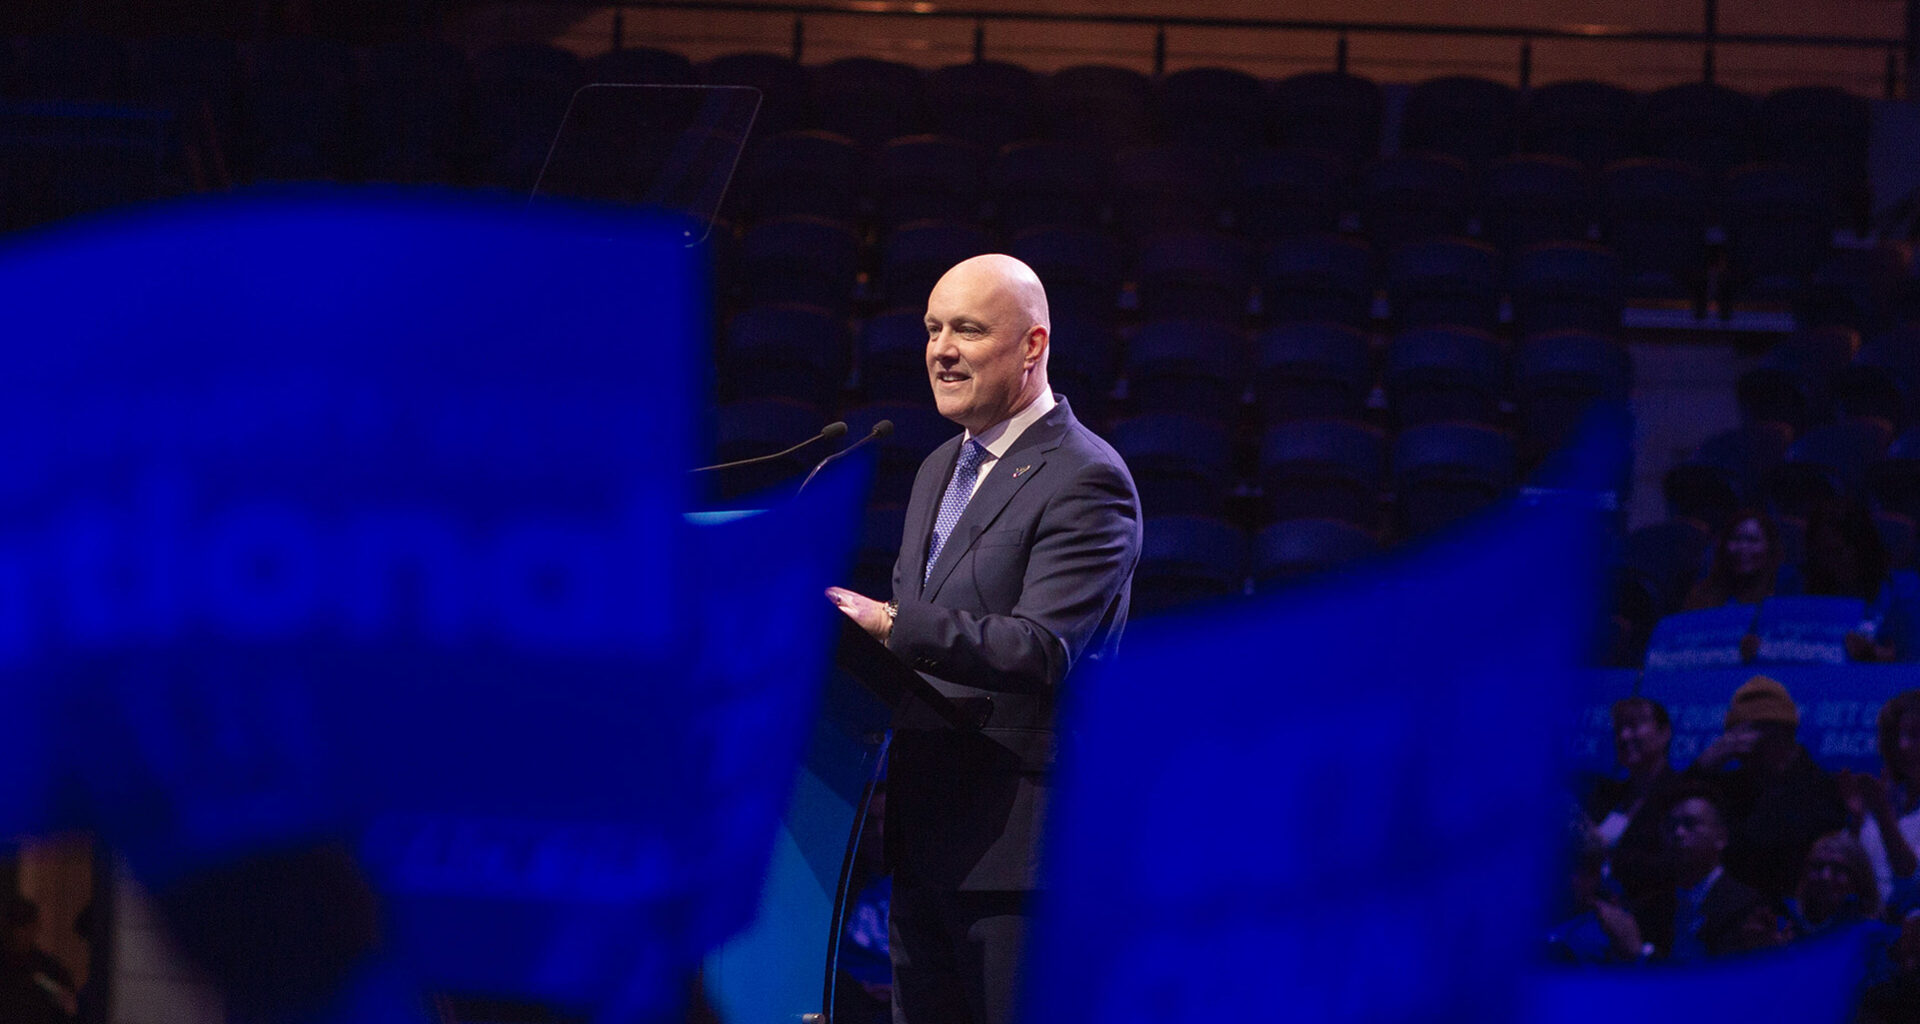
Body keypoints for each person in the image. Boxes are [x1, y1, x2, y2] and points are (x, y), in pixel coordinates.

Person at [827, 254, 1142, 1024]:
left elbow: (1042, 649)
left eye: (967, 329)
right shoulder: (940, 466)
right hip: (922, 840)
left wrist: (893, 625)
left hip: (1019, 858)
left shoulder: (1086, 477)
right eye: (933, 329)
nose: (942, 349)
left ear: (1033, 346)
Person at [1687, 674, 1851, 902]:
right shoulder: (1728, 786)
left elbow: (1765, 845)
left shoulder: (1820, 788)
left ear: (1781, 733)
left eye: (1751, 732)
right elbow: (1669, 821)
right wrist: (1703, 767)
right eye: (1736, 733)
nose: (1742, 743)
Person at [1630, 783, 1769, 960]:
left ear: (1722, 837)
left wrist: (1643, 954)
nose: (1678, 833)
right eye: (1671, 826)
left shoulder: (1745, 906)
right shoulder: (1653, 905)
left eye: (1690, 824)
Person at [1582, 696, 1686, 901]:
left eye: (1634, 726)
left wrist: (1606, 854)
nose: (1624, 736)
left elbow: (1675, 864)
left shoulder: (1681, 794)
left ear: (1664, 733)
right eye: (1619, 729)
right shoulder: (1610, 795)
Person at [1850, 689, 1920, 918]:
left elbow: (1911, 877)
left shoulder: (1881, 806)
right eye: (1897, 735)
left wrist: (1882, 814)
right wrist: (1855, 819)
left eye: (1916, 735)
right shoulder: (1886, 797)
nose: (1903, 745)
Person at [1683, 509, 1783, 610]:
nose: (1743, 548)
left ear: (1769, 546)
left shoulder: (1784, 583)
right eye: (1736, 539)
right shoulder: (1704, 589)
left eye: (1753, 540)